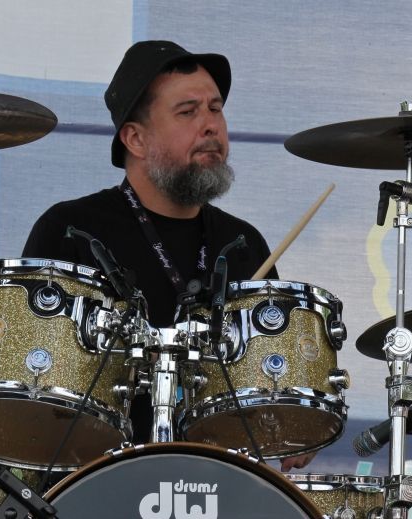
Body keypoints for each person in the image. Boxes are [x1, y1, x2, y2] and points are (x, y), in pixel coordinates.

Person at [22, 40, 312, 471]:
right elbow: (31, 389)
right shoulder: (71, 231)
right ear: (136, 138)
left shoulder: (243, 242)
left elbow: (269, 385)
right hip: (90, 480)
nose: (211, 125)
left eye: (215, 109)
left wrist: (291, 418)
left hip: (214, 484)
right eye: (188, 112)